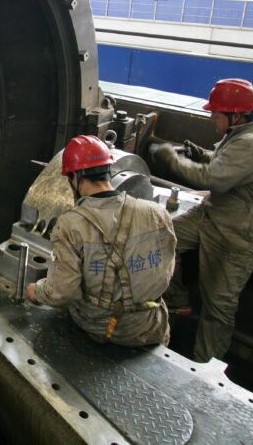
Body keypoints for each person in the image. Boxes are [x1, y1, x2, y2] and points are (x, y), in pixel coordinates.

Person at [153, 78, 253, 362]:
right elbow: (226, 162)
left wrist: (171, 159)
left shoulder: (252, 143)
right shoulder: (242, 135)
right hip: (214, 214)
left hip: (241, 233)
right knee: (159, 237)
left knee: (218, 305)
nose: (212, 118)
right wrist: (202, 154)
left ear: (236, 116)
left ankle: (204, 369)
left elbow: (212, 178)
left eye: (216, 113)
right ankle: (177, 304)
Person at [25, 135, 176, 347]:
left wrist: (36, 291)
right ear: (109, 170)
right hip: (152, 327)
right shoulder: (157, 213)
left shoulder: (70, 224)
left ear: (76, 177)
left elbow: (62, 291)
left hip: (102, 328)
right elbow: (166, 270)